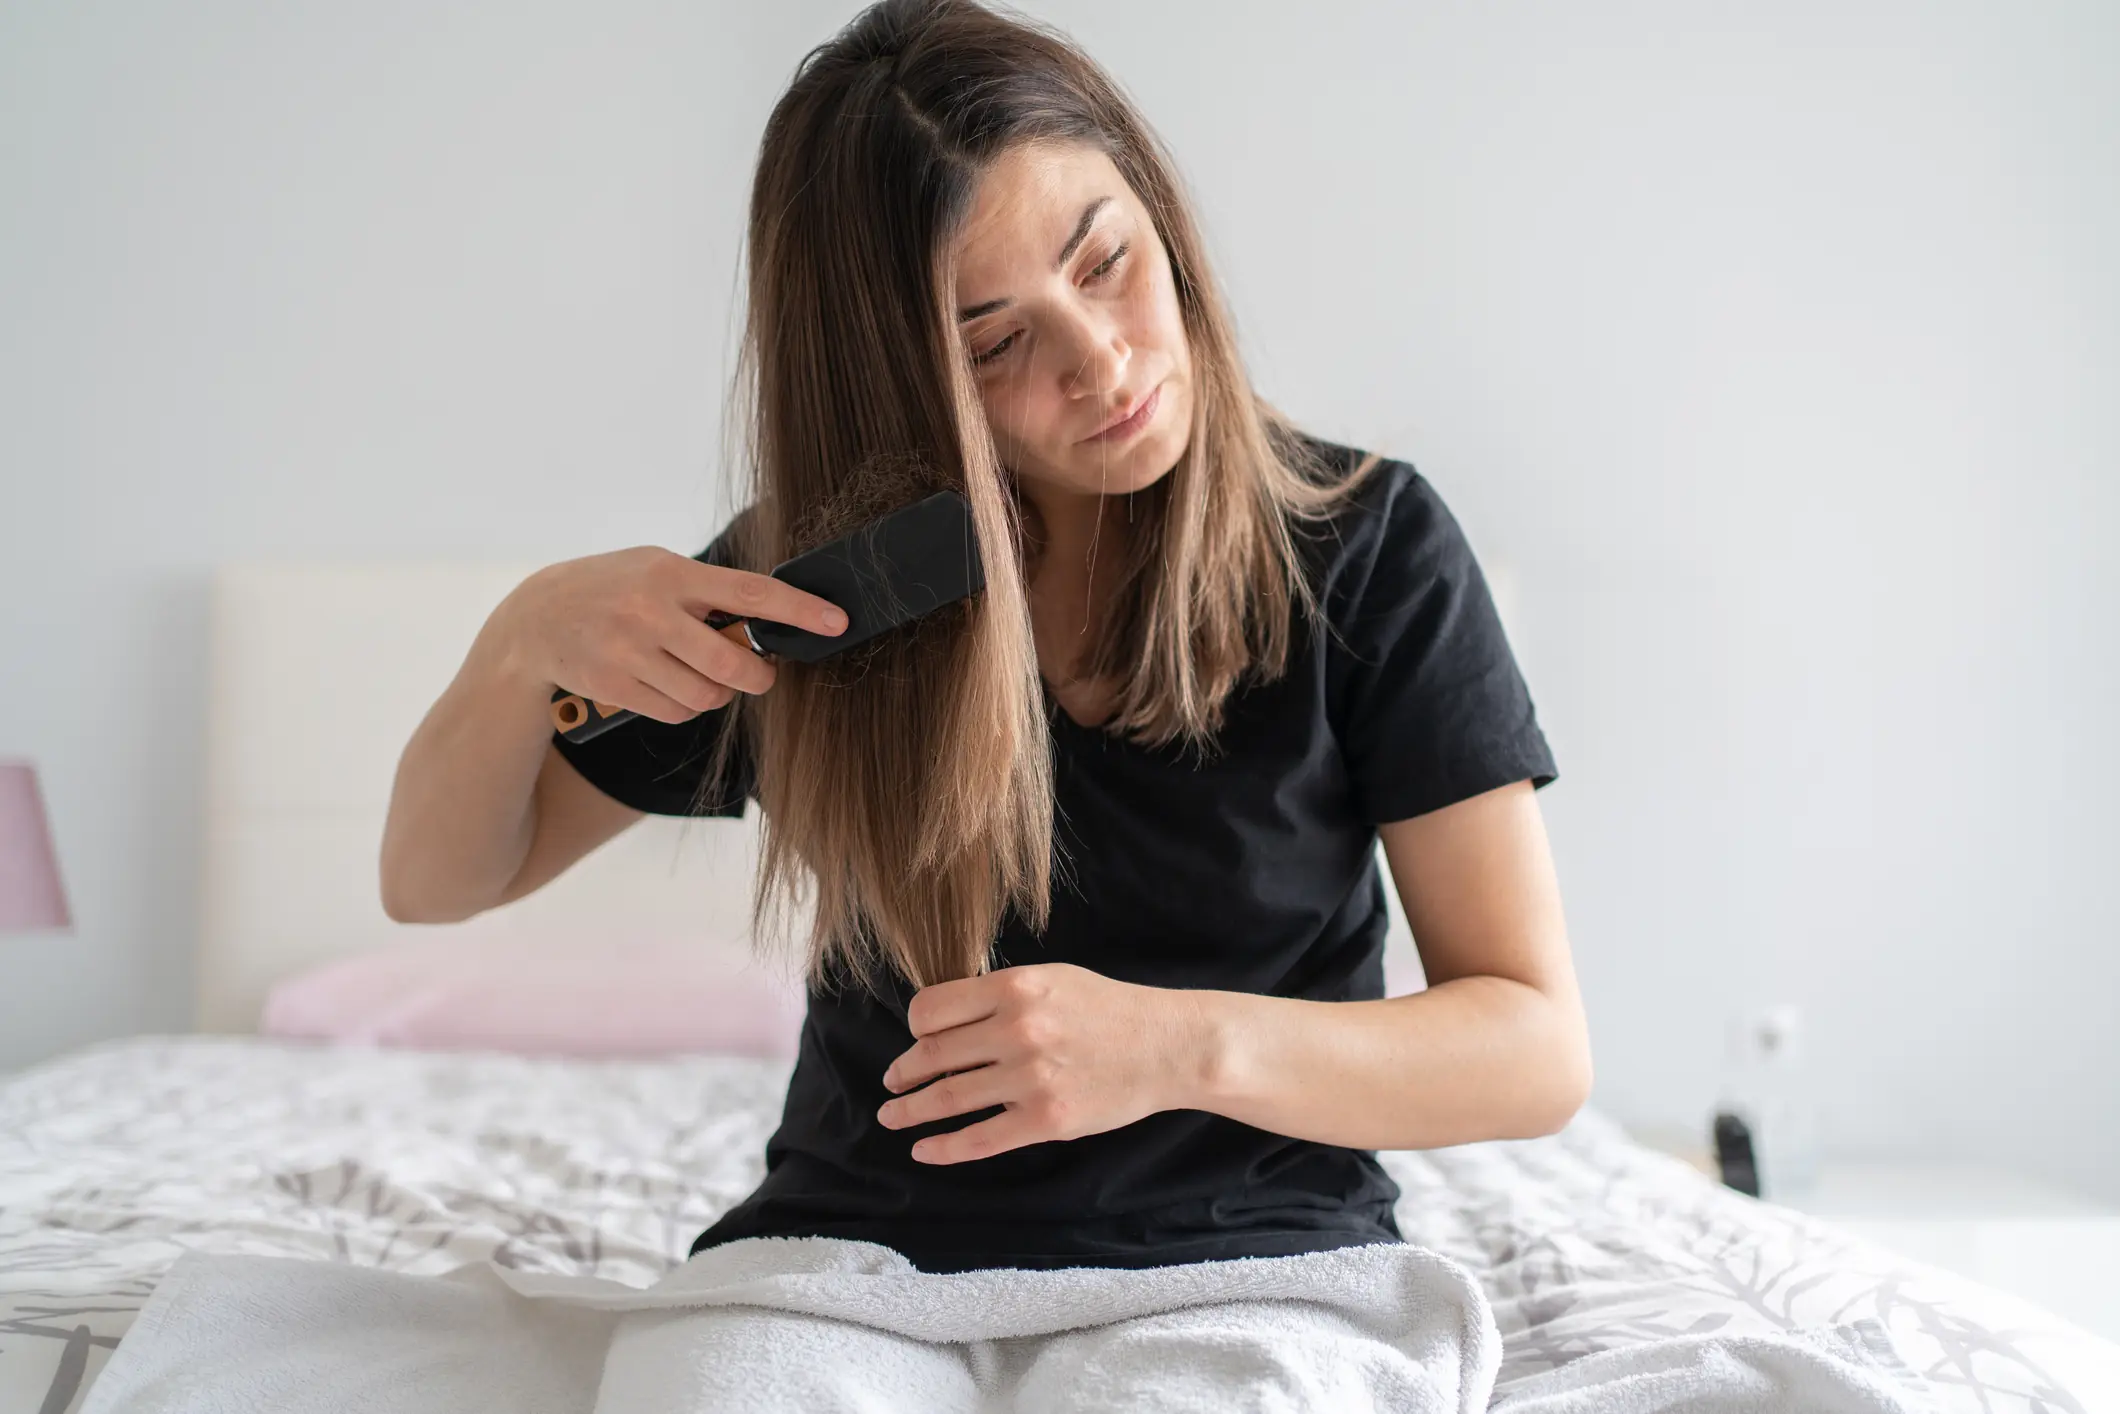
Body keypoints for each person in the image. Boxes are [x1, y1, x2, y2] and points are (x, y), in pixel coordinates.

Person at [379, 0, 1589, 1277]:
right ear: (905, 379)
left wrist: (1172, 1048)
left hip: (1250, 1256)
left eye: (1103, 260)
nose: (1102, 361)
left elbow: (1530, 1050)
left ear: (1155, 211)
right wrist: (516, 649)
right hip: (852, 1256)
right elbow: (439, 879)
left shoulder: (1365, 548)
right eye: (998, 340)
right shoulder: (825, 588)